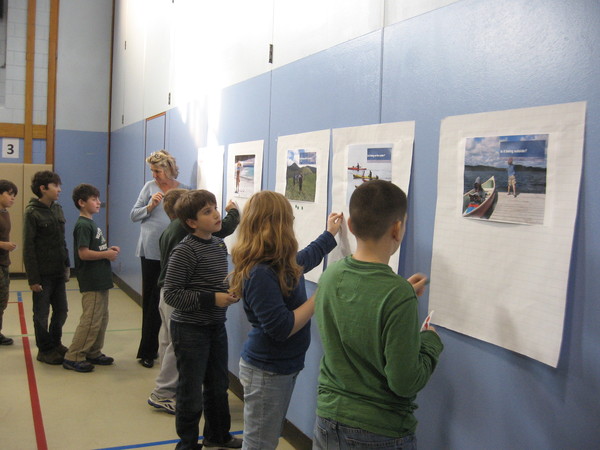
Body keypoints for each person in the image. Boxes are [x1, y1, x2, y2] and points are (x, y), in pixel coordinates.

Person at [312, 180, 444, 449]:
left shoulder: (330, 276)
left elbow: (358, 309)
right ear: (397, 229)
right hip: (379, 431)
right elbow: (405, 382)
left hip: (327, 420)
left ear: (349, 225)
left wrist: (399, 293)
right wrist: (430, 342)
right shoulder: (397, 295)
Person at [228, 191, 343, 450]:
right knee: (259, 444)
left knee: (264, 439)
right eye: (289, 219)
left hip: (282, 366)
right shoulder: (259, 273)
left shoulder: (279, 263)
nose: (292, 223)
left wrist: (330, 234)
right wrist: (320, 296)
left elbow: (306, 258)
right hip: (266, 370)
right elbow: (282, 328)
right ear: (277, 226)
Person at [148, 189, 240, 415]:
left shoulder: (213, 245)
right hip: (180, 306)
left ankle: (167, 390)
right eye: (207, 211)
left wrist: (227, 291)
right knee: (174, 348)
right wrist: (234, 213)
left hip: (180, 303)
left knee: (168, 344)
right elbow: (175, 293)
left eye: (215, 208)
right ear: (189, 221)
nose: (216, 215)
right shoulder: (186, 244)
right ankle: (163, 393)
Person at [130, 150, 189, 368]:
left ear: (169, 169)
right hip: (151, 252)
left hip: (174, 252)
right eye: (152, 171)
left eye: (157, 171)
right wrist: (150, 206)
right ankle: (147, 351)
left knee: (168, 301)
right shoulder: (149, 188)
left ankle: (172, 350)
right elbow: (133, 215)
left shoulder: (184, 189)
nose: (154, 175)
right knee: (151, 302)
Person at [62, 184, 120, 372]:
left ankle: (93, 351)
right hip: (92, 280)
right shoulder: (83, 225)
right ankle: (74, 355)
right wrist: (106, 255)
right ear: (81, 203)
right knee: (91, 318)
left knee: (102, 317)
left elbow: (95, 249)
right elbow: (84, 254)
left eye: (98, 199)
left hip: (101, 279)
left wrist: (108, 250)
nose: (98, 202)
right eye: (94, 199)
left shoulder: (91, 223)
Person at [23, 171, 70, 365]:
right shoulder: (32, 212)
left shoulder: (58, 209)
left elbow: (62, 241)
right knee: (41, 314)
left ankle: (55, 342)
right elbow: (28, 247)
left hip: (58, 270)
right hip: (42, 274)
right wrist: (33, 279)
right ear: (43, 188)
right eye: (55, 186)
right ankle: (45, 349)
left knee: (62, 310)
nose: (59, 189)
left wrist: (67, 266)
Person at [0, 180, 18, 346]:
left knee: (2, 300)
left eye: (14, 195)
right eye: (9, 194)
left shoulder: (5, 212)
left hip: (3, 262)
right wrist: (3, 244)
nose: (12, 198)